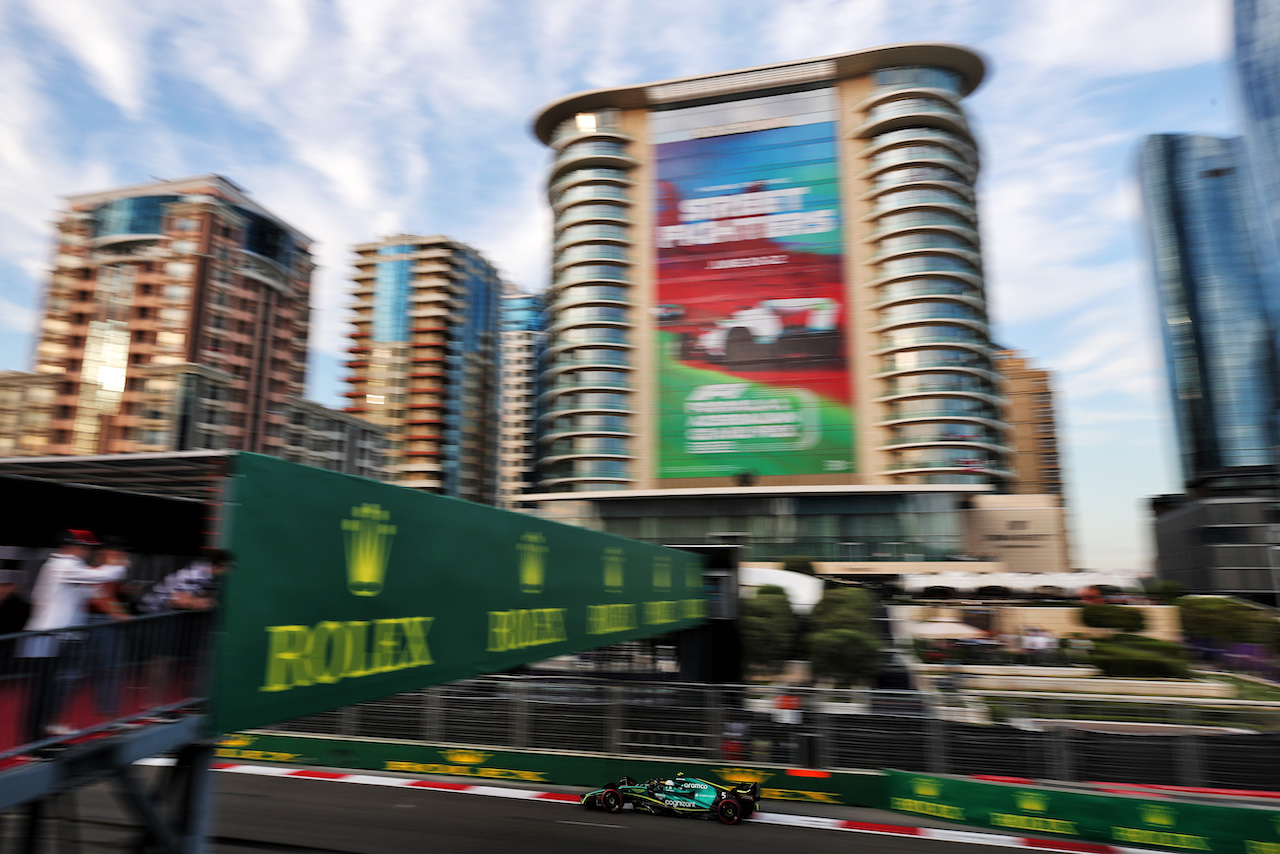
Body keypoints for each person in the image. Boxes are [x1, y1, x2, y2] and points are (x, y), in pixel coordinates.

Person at [22, 530, 128, 739]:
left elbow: (92, 591)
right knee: (43, 690)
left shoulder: (66, 566)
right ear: (73, 546)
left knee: (50, 688)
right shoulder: (63, 565)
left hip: (59, 636)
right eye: (85, 546)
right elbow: (106, 575)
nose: (87, 551)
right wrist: (117, 563)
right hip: (50, 636)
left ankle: (41, 737)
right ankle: (32, 741)